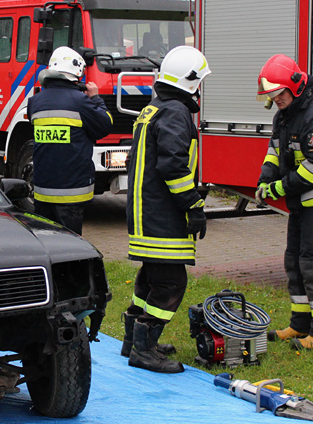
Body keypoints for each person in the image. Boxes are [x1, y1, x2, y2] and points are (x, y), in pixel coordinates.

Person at [123, 46, 211, 373]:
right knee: (171, 283)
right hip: (162, 216)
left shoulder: (153, 108)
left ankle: (134, 342)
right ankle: (144, 352)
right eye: (198, 82)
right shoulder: (175, 113)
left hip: (145, 214)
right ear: (189, 82)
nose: (199, 88)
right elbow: (173, 167)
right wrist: (194, 206)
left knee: (151, 279)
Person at [255, 54, 313, 352]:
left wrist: (278, 187)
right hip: (301, 204)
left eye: (278, 94)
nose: (275, 100)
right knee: (294, 261)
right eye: (271, 95)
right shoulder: (285, 115)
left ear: (294, 88)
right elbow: (275, 152)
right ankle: (301, 324)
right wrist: (264, 179)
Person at [26, 46, 113, 235]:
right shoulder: (80, 102)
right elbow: (105, 125)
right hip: (72, 191)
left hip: (42, 190)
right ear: (77, 74)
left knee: (47, 242)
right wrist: (96, 98)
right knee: (70, 247)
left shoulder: (35, 102)